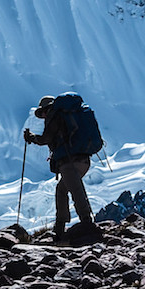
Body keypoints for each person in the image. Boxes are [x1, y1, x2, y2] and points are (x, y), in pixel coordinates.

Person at [24, 95, 97, 243]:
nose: (43, 117)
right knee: (62, 189)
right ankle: (60, 226)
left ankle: (85, 222)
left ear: (45, 110)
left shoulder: (54, 116)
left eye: (43, 113)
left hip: (69, 162)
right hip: (84, 160)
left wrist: (32, 138)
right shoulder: (70, 115)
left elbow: (46, 138)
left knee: (75, 190)